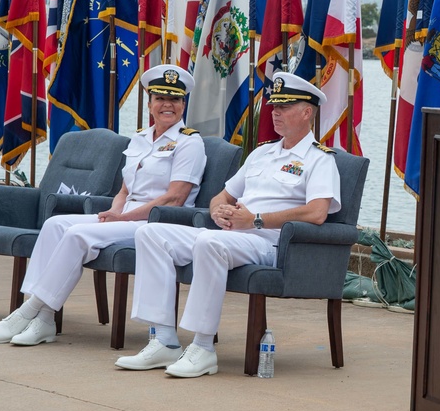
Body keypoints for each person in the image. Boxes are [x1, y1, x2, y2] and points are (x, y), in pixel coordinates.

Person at [115, 71, 342, 378]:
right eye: (273, 105)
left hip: (270, 243)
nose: (274, 112)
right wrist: (219, 210)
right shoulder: (262, 153)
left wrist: (256, 220)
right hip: (234, 234)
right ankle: (164, 340)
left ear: (306, 112)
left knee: (210, 242)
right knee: (151, 233)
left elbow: (317, 213)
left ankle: (202, 347)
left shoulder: (320, 159)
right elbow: (221, 195)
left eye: (284, 107)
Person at [0, 65, 207, 346]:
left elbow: (175, 197)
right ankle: (44, 320)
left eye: (174, 100)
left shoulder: (189, 143)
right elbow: (126, 189)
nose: (167, 105)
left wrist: (124, 218)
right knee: (55, 225)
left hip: (158, 222)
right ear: (150, 104)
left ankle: (28, 311)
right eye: (160, 98)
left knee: (78, 234)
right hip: (126, 215)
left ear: (183, 104)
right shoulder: (140, 138)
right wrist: (116, 210)